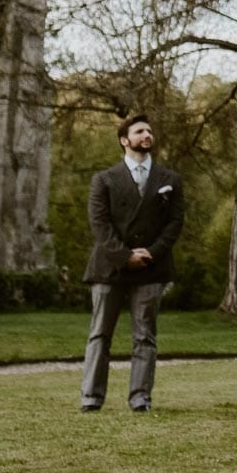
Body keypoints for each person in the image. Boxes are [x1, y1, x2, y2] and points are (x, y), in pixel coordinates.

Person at [80, 113, 185, 413]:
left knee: (145, 336)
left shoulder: (170, 180)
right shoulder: (103, 179)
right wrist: (125, 256)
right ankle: (91, 397)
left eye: (149, 130)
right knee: (100, 334)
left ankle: (140, 398)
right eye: (139, 131)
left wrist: (150, 252)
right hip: (109, 268)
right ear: (124, 140)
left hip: (152, 267)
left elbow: (175, 223)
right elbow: (99, 224)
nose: (146, 134)